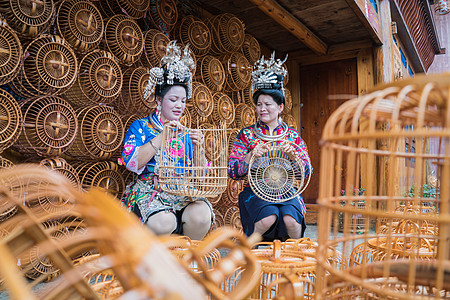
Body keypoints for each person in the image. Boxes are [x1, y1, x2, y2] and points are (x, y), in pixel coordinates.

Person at [119, 42, 213, 240]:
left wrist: (199, 148)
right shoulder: (142, 126)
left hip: (182, 191)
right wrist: (161, 137)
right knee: (164, 222)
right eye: (173, 100)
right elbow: (131, 162)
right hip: (151, 190)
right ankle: (156, 263)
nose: (179, 106)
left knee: (201, 216)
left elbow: (201, 175)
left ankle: (188, 259)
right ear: (158, 101)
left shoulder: (187, 132)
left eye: (183, 101)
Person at [228, 53, 312, 241]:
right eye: (259, 104)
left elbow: (306, 172)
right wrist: (251, 155)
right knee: (268, 217)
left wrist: (293, 158)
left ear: (281, 107)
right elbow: (232, 171)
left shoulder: (292, 136)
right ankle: (249, 253)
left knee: (291, 220)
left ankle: (297, 254)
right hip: (256, 190)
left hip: (287, 190)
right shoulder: (247, 134)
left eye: (268, 104)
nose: (262, 108)